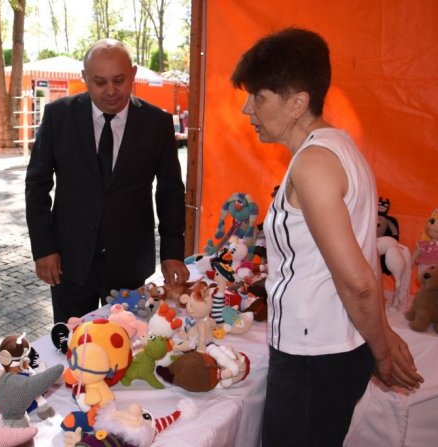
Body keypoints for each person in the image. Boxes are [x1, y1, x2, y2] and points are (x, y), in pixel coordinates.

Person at [230, 28, 424, 446]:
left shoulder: (314, 163)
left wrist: (382, 351)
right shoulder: (334, 147)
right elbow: (357, 259)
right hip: (328, 347)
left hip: (314, 355)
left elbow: (357, 281)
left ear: (297, 102)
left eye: (258, 96)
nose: (247, 109)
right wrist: (381, 337)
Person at [25, 39, 189, 324]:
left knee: (129, 338)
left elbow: (170, 192)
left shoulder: (157, 123)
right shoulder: (58, 117)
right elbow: (37, 186)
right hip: (69, 261)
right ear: (84, 77)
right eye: (100, 82)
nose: (111, 91)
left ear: (133, 74)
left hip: (129, 263)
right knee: (72, 340)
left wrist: (172, 252)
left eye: (119, 80)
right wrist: (44, 248)